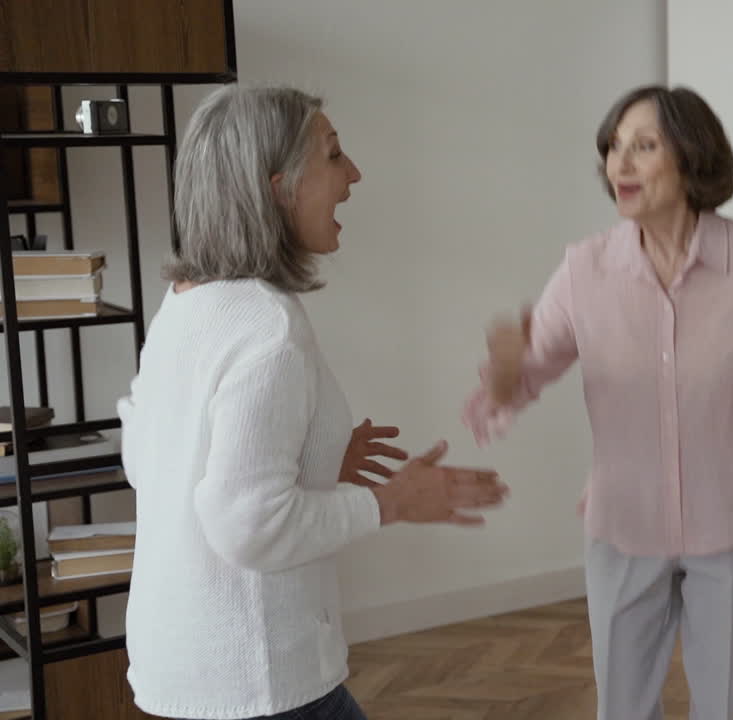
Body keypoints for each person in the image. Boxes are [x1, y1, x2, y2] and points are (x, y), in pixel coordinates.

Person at [463, 85, 733, 720]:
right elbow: (516, 387)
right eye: (614, 147)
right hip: (625, 528)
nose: (620, 163)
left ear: (690, 157)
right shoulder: (585, 269)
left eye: (643, 146)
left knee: (726, 710)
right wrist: (503, 367)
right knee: (623, 710)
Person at [118, 85, 508, 720]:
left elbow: (150, 458)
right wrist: (391, 501)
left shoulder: (184, 303)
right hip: (256, 680)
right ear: (279, 189)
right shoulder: (267, 328)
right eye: (333, 155)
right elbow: (246, 524)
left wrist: (313, 459)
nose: (353, 174)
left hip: (184, 668)